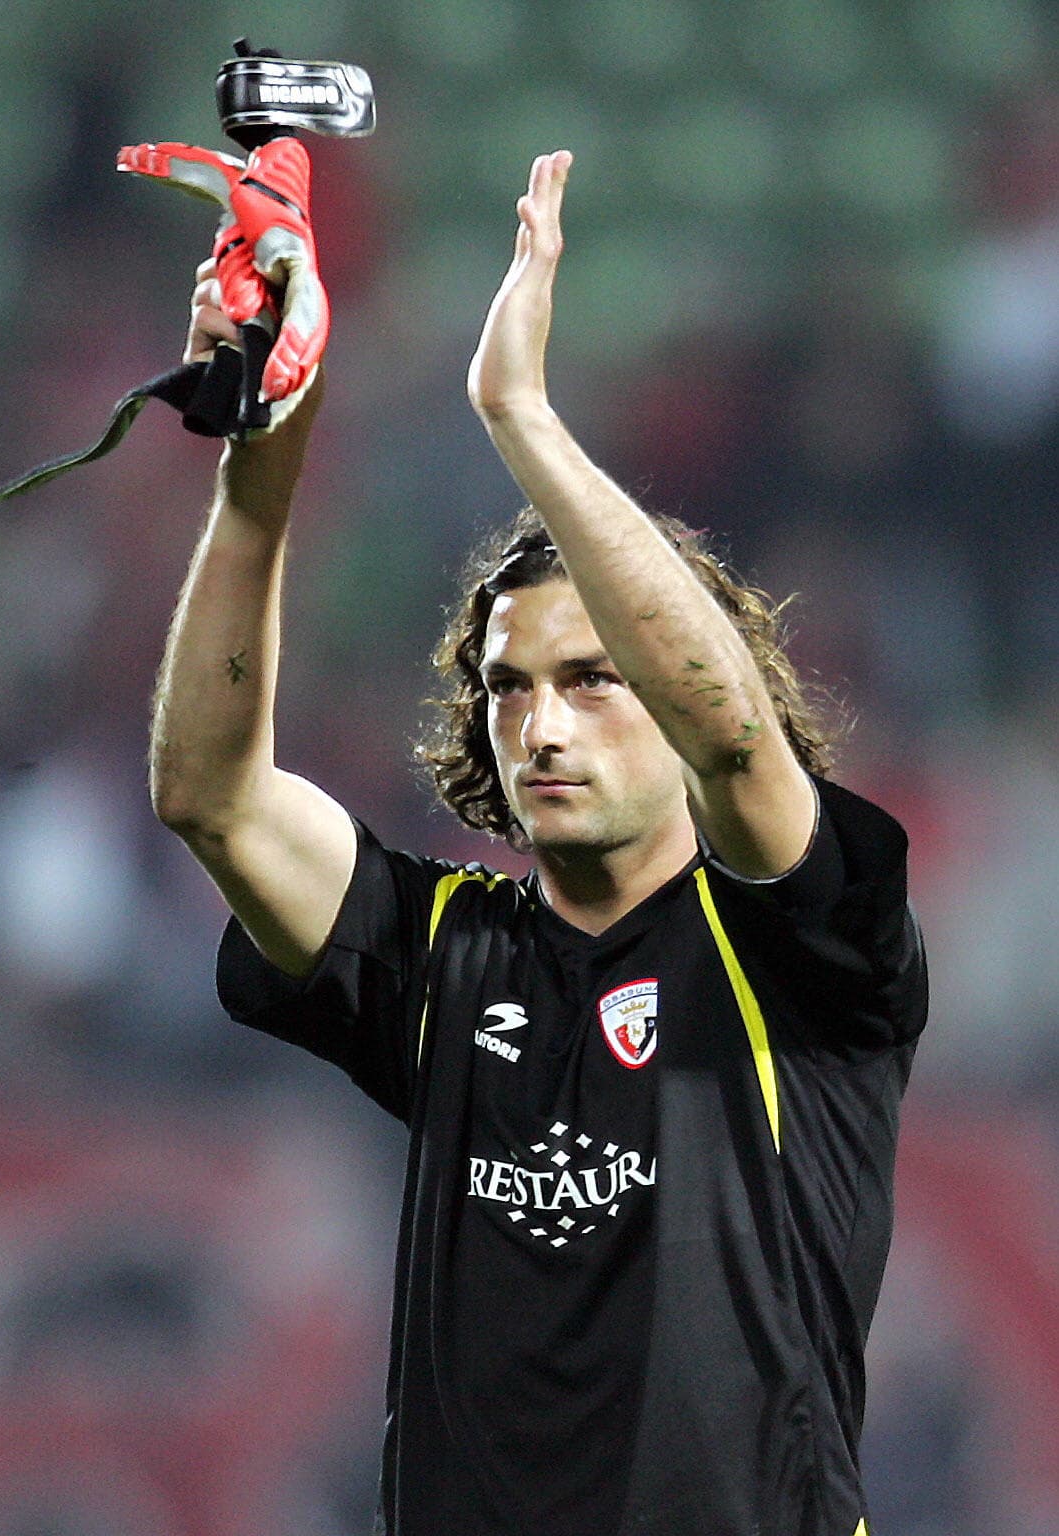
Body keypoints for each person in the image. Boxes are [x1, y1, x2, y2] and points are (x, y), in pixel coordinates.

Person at [150, 148, 928, 1536]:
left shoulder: (806, 945)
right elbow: (212, 795)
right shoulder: (443, 945)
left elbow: (738, 740)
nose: (541, 726)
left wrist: (518, 415)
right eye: (508, 688)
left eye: (590, 679)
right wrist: (262, 444)